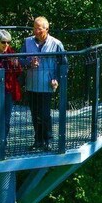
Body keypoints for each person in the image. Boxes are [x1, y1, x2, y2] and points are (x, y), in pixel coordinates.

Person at [22, 16, 67, 150]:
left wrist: (57, 79)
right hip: (31, 84)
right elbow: (20, 60)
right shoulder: (27, 42)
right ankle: (38, 141)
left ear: (47, 29)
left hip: (47, 85)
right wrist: (29, 63)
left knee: (45, 114)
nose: (36, 31)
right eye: (34, 28)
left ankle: (48, 140)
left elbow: (64, 64)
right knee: (35, 114)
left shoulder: (56, 43)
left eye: (39, 29)